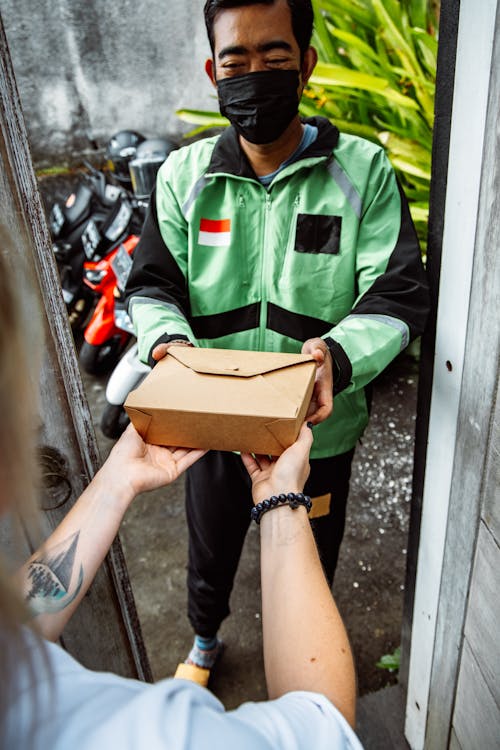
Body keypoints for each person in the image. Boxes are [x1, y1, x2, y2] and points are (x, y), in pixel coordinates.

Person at [124, 0, 430, 679]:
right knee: (209, 547)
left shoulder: (363, 172)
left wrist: (338, 358)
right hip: (211, 424)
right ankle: (204, 639)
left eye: (275, 58)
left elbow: (399, 291)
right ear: (213, 71)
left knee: (310, 551)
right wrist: (169, 348)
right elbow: (151, 286)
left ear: (307, 66)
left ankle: (299, 666)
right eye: (236, 61)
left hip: (319, 429)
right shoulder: (184, 177)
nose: (253, 74)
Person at [0, 225, 363, 748]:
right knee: (209, 550)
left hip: (253, 426)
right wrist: (281, 500)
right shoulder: (156, 732)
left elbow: (22, 618)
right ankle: (204, 638)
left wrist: (118, 479)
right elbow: (325, 722)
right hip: (241, 446)